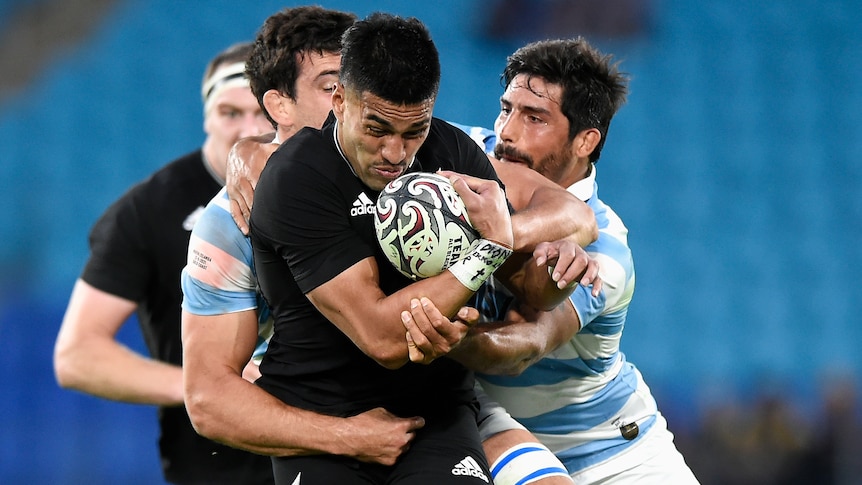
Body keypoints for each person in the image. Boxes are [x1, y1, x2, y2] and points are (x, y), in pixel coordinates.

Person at [241, 12, 605, 485]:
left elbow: (528, 289)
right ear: (340, 101)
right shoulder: (298, 180)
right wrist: (487, 250)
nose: (396, 152)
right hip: (326, 415)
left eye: (414, 130)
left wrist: (557, 270)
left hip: (436, 413)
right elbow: (384, 339)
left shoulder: (452, 154)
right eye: (377, 130)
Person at [402, 38, 700, 484]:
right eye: (507, 109)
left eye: (534, 118)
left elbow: (528, 344)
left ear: (585, 140)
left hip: (615, 453)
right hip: (494, 438)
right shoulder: (466, 156)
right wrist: (256, 154)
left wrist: (451, 341)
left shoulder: (605, 250)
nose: (506, 131)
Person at [182, 5, 428, 466]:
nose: (356, 97)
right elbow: (207, 399)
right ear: (278, 106)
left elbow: (549, 196)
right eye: (335, 85)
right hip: (320, 421)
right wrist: (349, 438)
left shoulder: (420, 153)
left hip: (449, 405)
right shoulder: (230, 223)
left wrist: (556, 232)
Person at [53, 42, 274, 484]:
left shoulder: (321, 191)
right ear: (206, 116)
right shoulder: (148, 209)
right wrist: (203, 388)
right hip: (214, 466)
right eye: (230, 113)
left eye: (260, 113)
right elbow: (77, 354)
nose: (247, 129)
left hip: (327, 451)